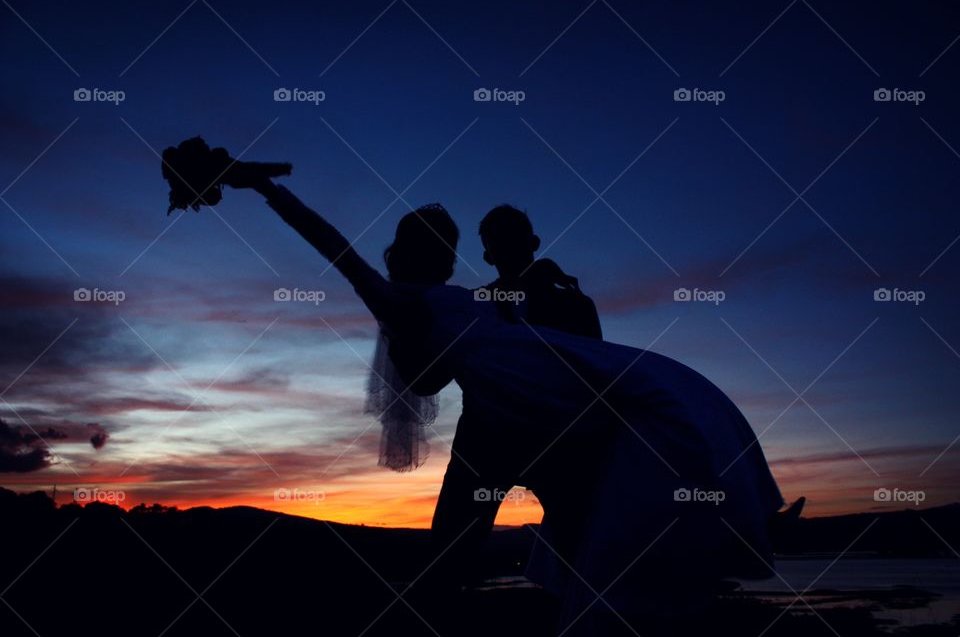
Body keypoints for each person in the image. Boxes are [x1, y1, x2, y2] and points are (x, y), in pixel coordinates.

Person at [224, 173, 784, 635]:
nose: (449, 254)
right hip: (504, 426)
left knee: (610, 492)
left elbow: (449, 363)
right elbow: (337, 250)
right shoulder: (403, 298)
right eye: (440, 245)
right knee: (464, 547)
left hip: (551, 414)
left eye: (448, 247)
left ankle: (653, 589)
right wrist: (265, 189)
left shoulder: (483, 296)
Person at [429, 204, 604, 603]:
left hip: (559, 445)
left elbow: (595, 374)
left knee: (585, 551)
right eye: (496, 240)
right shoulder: (472, 306)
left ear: (534, 243)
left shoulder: (575, 302)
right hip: (484, 444)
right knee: (447, 554)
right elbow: (436, 376)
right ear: (489, 254)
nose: (505, 246)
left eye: (513, 236)